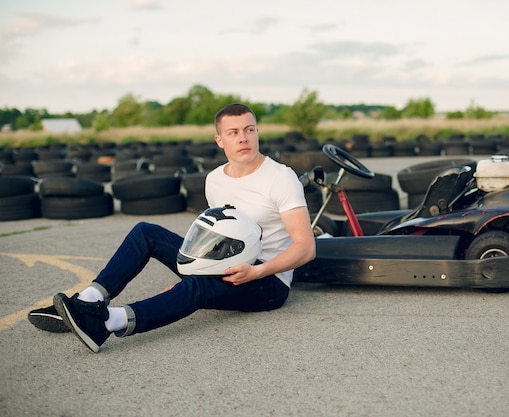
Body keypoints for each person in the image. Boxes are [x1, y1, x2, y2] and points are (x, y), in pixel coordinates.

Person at [30, 103, 316, 353]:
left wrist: (256, 271)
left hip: (267, 280)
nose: (243, 138)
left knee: (196, 287)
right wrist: (196, 265)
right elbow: (217, 238)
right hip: (225, 265)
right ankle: (88, 302)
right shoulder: (215, 180)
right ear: (220, 140)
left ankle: (106, 323)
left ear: (257, 132)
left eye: (249, 130)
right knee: (145, 232)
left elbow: (305, 247)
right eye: (234, 132)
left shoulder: (281, 178)